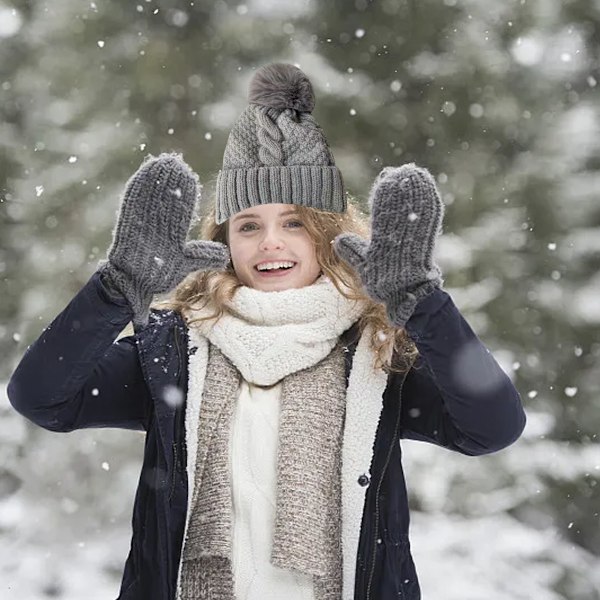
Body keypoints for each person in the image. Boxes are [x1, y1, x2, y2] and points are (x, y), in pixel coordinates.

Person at [7, 63, 526, 600]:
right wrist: (117, 289)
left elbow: (492, 428)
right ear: (225, 240)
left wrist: (424, 305)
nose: (270, 243)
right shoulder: (175, 347)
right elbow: (42, 398)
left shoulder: (373, 351)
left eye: (294, 222)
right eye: (249, 226)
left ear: (327, 234)